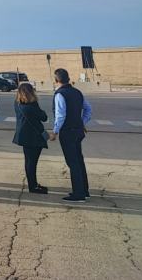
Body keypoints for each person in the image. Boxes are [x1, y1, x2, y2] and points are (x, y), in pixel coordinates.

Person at [49, 68, 92, 203]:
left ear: (56, 80)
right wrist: (82, 122)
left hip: (67, 132)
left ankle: (78, 194)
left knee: (73, 162)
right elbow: (88, 109)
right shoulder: (77, 92)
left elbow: (60, 115)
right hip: (78, 131)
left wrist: (55, 131)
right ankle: (84, 190)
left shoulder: (60, 94)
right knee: (79, 160)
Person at [12, 82, 49, 194]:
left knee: (28, 161)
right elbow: (44, 117)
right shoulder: (32, 105)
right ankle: (33, 186)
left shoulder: (17, 104)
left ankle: (33, 184)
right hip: (34, 137)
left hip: (23, 136)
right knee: (32, 162)